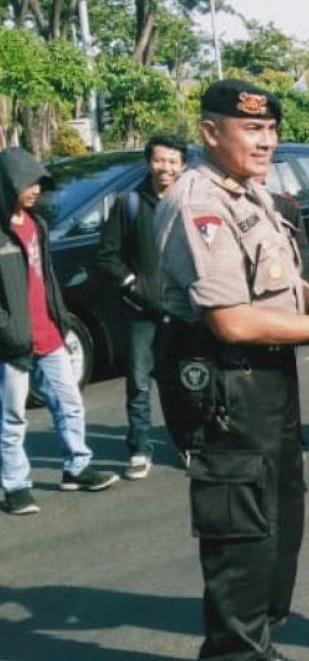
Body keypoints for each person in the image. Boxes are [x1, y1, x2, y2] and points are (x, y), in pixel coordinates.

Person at [155, 79, 309, 661]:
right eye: (252, 129)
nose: (266, 140)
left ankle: (258, 646)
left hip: (268, 376)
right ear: (211, 131)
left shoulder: (251, 195)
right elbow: (232, 321)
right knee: (241, 529)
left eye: (271, 129)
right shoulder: (201, 202)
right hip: (226, 381)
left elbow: (285, 285)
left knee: (280, 514)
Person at [0, 149, 119, 517]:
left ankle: (77, 466)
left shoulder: (38, 224)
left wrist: (61, 317)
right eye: (27, 183)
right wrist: (6, 329)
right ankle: (16, 486)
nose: (35, 190)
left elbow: (45, 276)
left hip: (50, 332)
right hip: (12, 342)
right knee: (11, 417)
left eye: (38, 182)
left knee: (69, 403)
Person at [94, 135, 187, 479]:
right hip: (140, 310)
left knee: (181, 380)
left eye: (173, 161)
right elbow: (107, 255)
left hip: (182, 309)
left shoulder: (189, 202)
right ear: (149, 162)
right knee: (138, 381)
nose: (166, 168)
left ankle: (186, 443)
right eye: (160, 160)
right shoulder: (129, 203)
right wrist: (131, 284)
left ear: (184, 166)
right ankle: (139, 448)